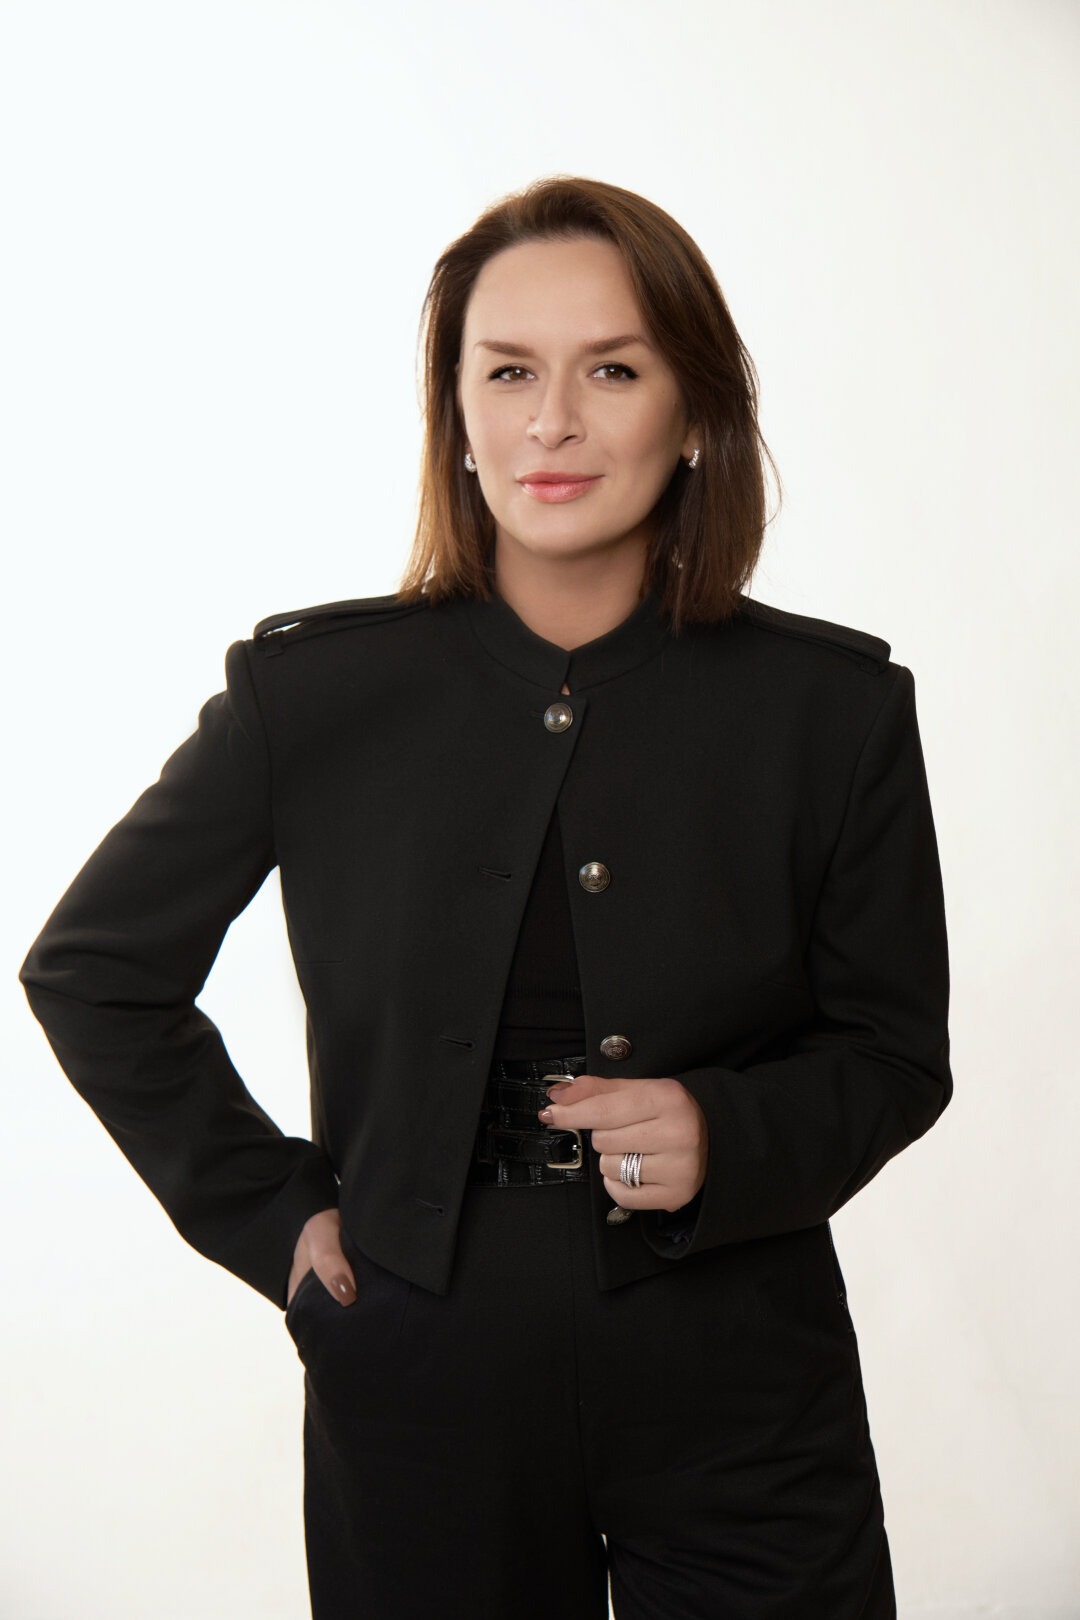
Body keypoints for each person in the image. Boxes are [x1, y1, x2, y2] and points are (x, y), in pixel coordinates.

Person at [20, 175, 952, 1619]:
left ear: (694, 412)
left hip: (743, 1370)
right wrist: (275, 1217)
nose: (551, 422)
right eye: (508, 372)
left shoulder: (831, 711)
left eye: (613, 371)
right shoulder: (312, 695)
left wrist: (729, 1130)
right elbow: (92, 971)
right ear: (454, 412)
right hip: (418, 1369)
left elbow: (894, 1053)